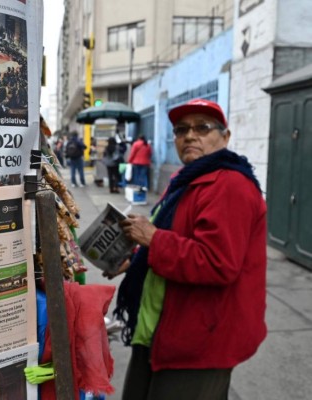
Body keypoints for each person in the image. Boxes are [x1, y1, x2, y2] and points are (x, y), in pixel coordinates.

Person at [113, 98, 267, 400]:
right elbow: (178, 237)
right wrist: (136, 259)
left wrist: (154, 240)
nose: (190, 136)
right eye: (181, 129)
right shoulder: (188, 180)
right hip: (164, 330)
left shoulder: (230, 185)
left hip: (200, 341)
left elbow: (217, 262)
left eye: (202, 127)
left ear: (225, 137)